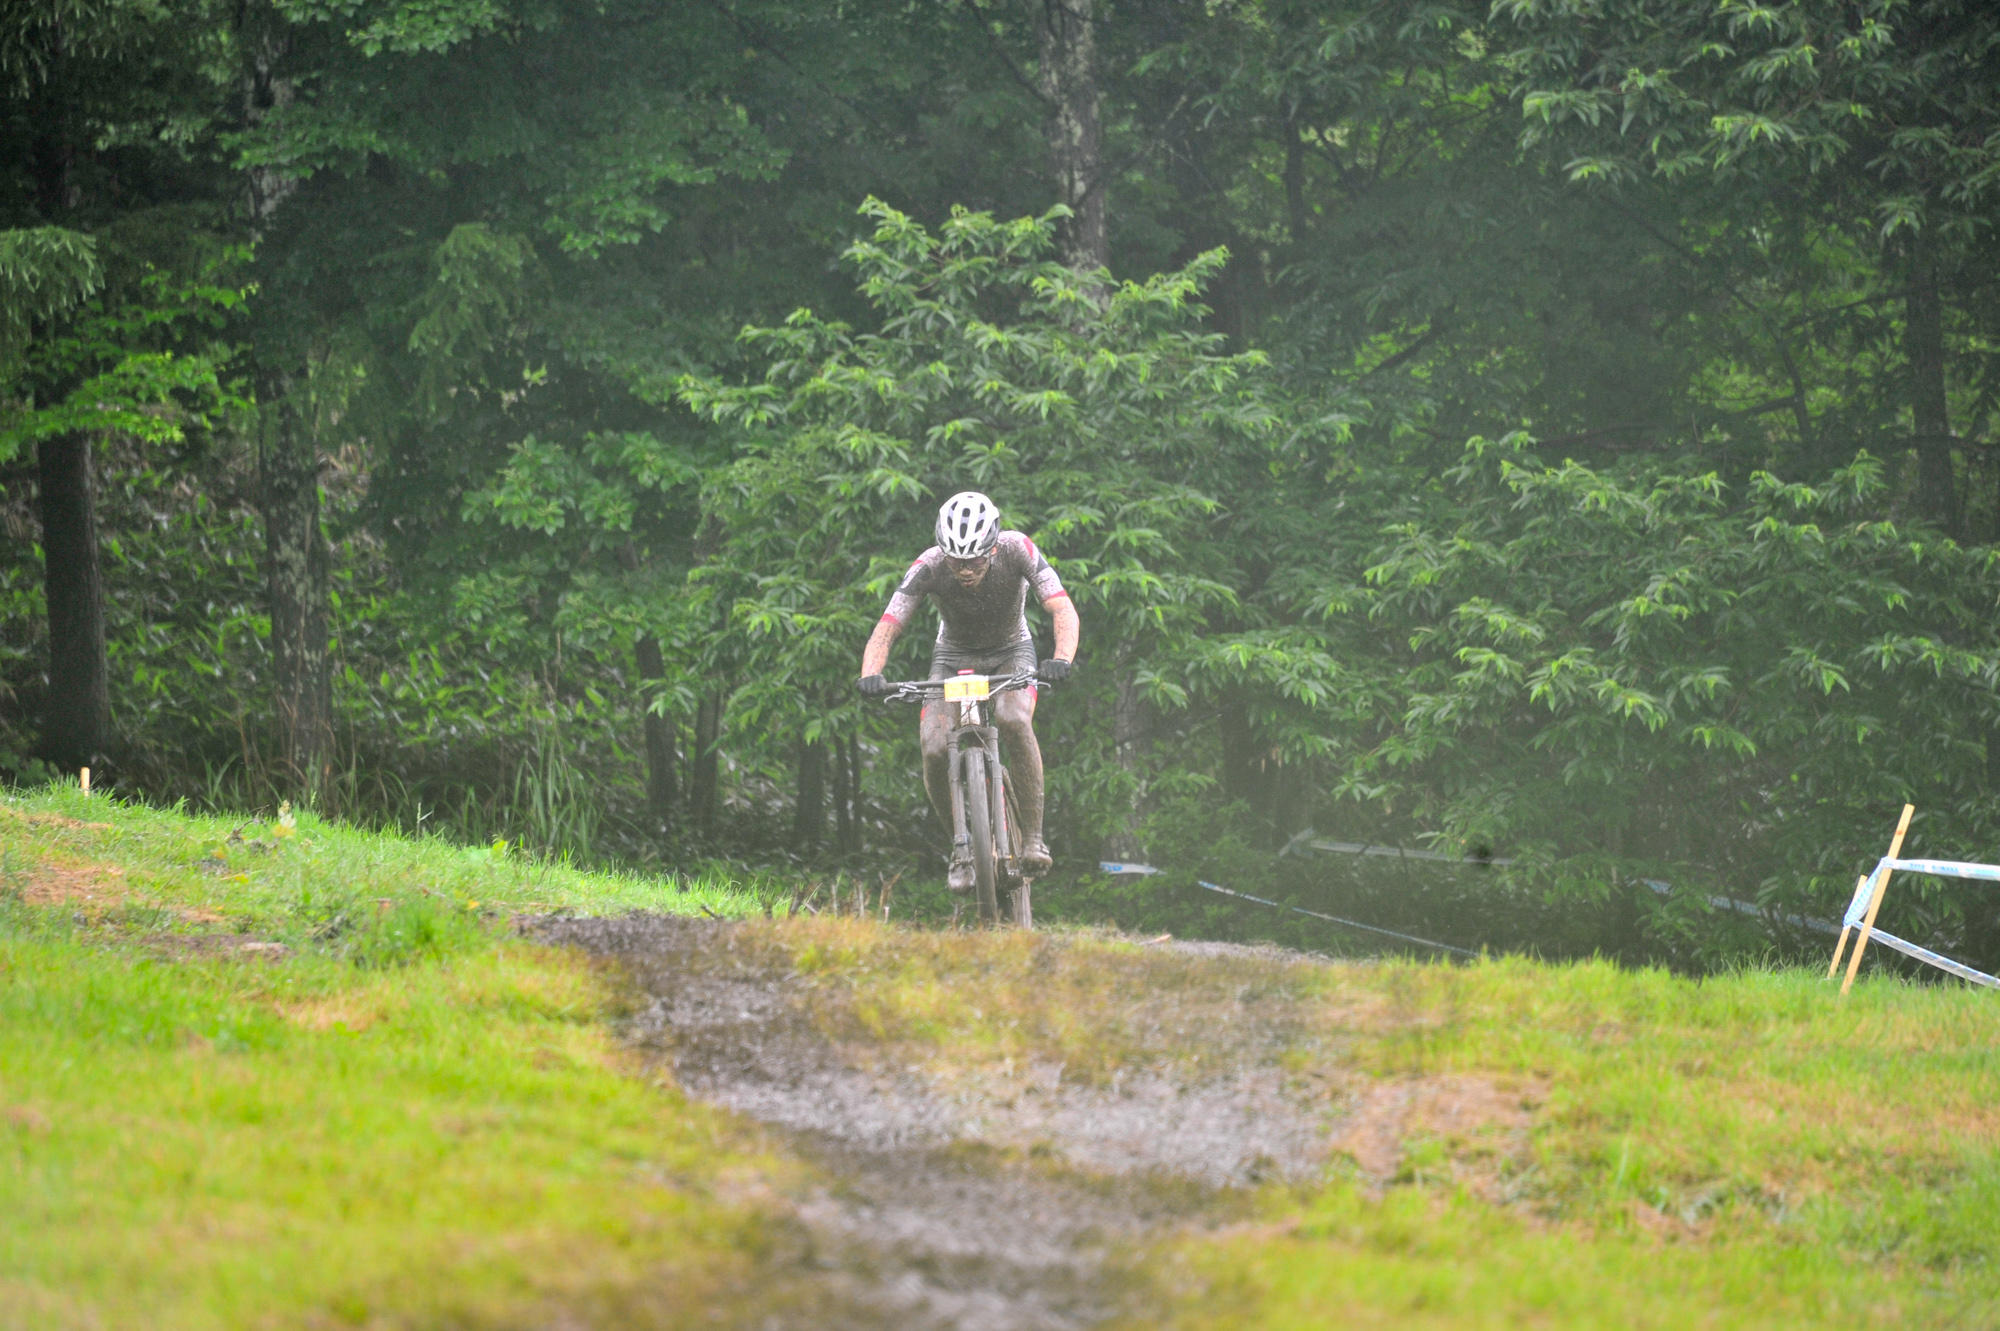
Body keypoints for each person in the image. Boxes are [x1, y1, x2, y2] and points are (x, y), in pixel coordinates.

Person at [857, 491, 1080, 891]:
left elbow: (1061, 607)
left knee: (1013, 718)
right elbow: (889, 624)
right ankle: (960, 848)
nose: (964, 570)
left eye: (974, 560)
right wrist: (871, 672)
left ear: (993, 548)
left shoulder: (1018, 549)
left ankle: (1032, 837)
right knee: (934, 748)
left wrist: (1061, 658)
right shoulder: (928, 565)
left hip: (1012, 650)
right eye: (956, 561)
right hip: (952, 656)